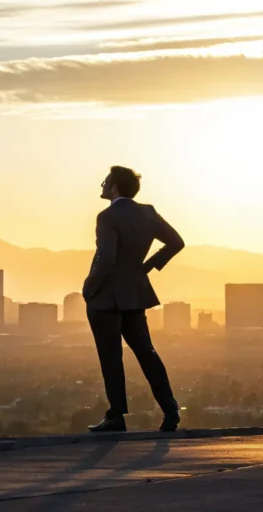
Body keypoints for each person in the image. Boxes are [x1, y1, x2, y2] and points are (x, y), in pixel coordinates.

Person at [83, 166, 184, 433]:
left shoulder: (107, 216)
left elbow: (107, 257)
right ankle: (170, 409)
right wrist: (146, 267)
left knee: (111, 357)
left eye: (105, 181)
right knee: (146, 352)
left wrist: (89, 286)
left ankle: (116, 415)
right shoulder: (148, 213)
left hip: (105, 296)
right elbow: (176, 242)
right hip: (135, 294)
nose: (102, 186)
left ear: (115, 187)